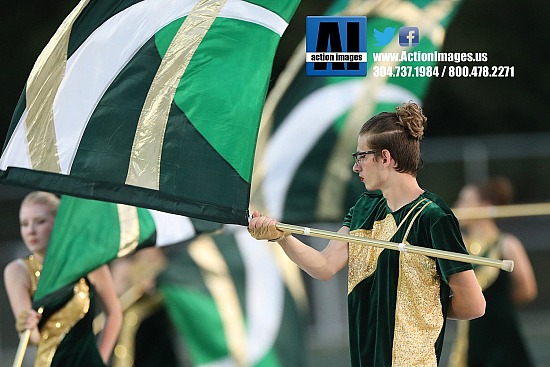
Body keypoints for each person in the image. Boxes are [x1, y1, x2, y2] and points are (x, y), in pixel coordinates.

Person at [248, 102, 486, 367]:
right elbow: (324, 266)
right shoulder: (365, 208)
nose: (356, 167)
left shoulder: (434, 217)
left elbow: (473, 304)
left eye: (361, 156)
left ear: (385, 158)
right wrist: (281, 236)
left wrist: (422, 306)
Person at [3, 191, 122, 366]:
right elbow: (32, 337)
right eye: (24, 224)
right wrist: (27, 326)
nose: (31, 231)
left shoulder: (89, 264)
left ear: (59, 222)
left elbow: (114, 314)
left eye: (40, 221)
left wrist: (100, 358)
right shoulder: (17, 271)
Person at [449, 177, 537, 367]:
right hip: (472, 337)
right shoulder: (459, 244)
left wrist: (499, 303)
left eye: (465, 200)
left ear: (484, 206)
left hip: (502, 336)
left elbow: (527, 290)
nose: (458, 206)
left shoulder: (507, 244)